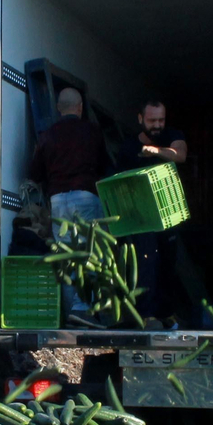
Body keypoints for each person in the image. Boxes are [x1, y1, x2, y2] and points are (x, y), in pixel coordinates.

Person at [29, 87, 113, 316]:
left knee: (66, 255)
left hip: (58, 202)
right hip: (85, 197)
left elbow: (35, 173)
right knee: (88, 253)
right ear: (80, 108)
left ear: (58, 108)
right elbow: (104, 166)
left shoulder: (47, 135)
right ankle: (84, 307)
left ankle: (70, 313)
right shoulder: (92, 132)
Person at [128, 101, 189, 324]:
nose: (157, 125)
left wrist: (155, 151)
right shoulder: (129, 147)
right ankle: (145, 315)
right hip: (141, 219)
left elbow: (180, 154)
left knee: (167, 265)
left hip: (169, 214)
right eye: (152, 120)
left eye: (161, 120)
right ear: (140, 119)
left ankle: (165, 314)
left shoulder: (172, 136)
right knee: (146, 265)